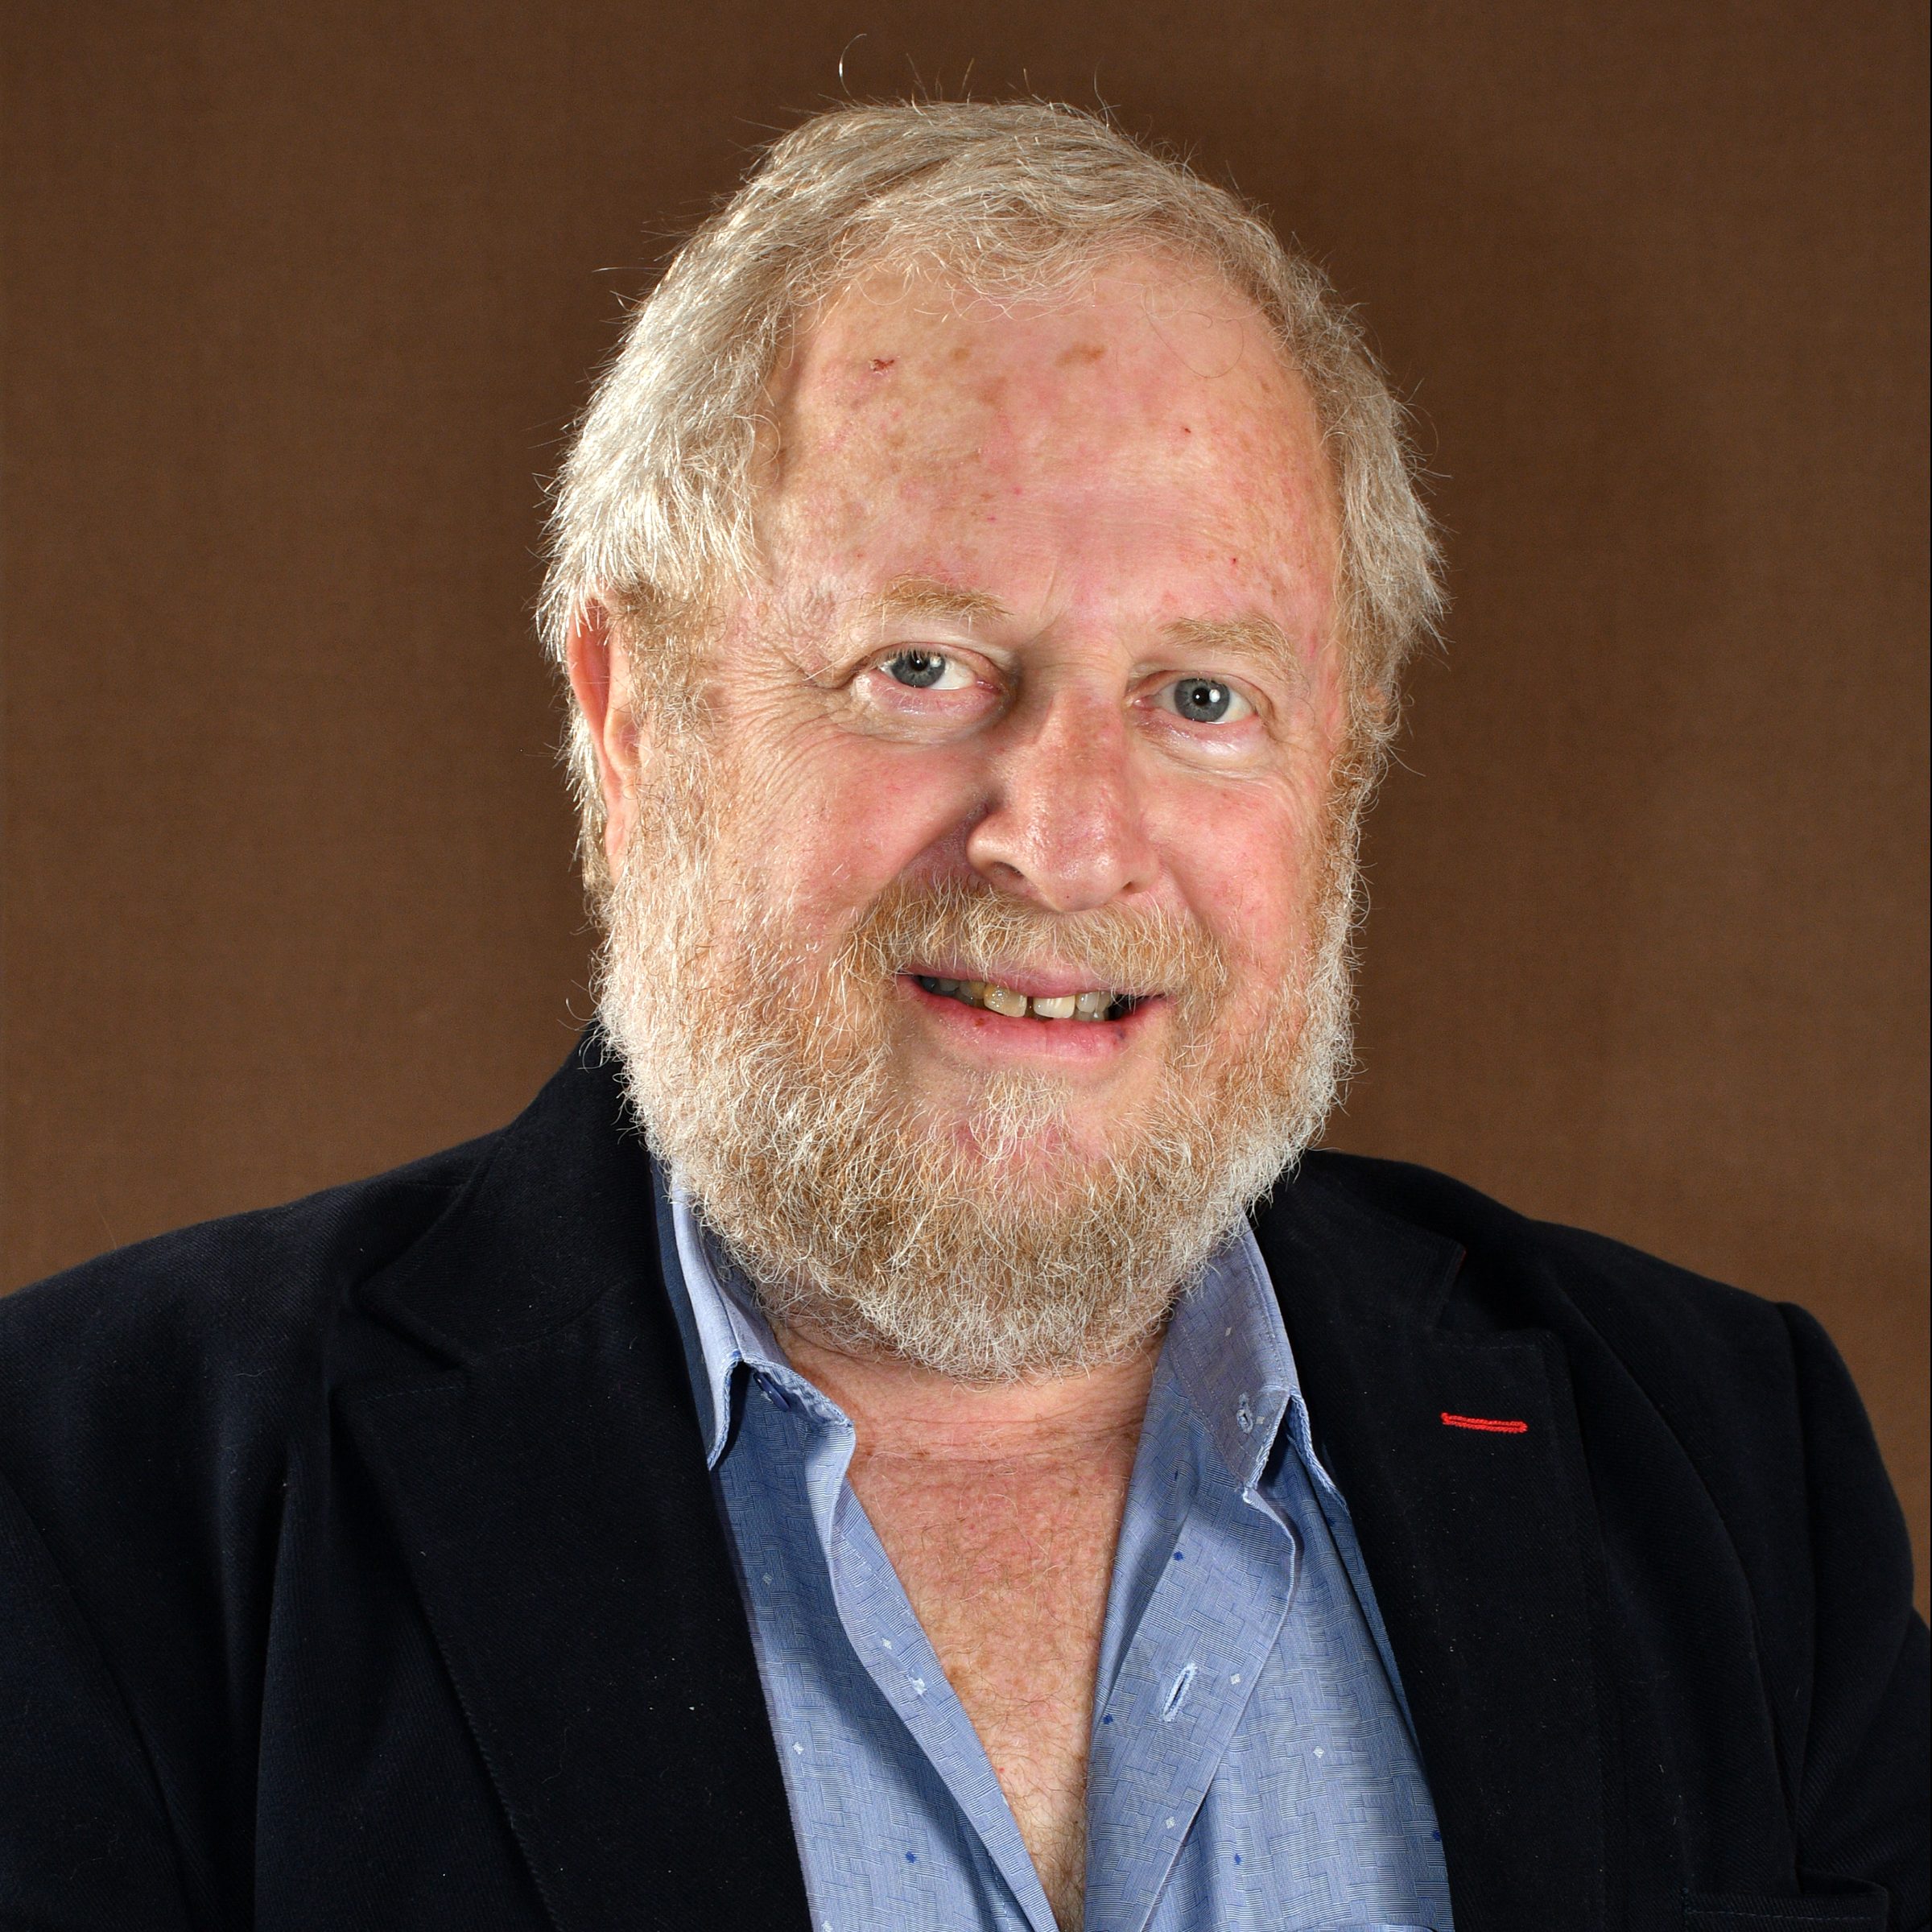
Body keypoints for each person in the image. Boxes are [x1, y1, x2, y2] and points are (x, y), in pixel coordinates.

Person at [0, 99, 1922, 1932]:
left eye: (1202, 697)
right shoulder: (97, 1507)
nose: (1063, 846)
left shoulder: (1728, 1473)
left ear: (1347, 761)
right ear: (633, 716)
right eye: (920, 667)